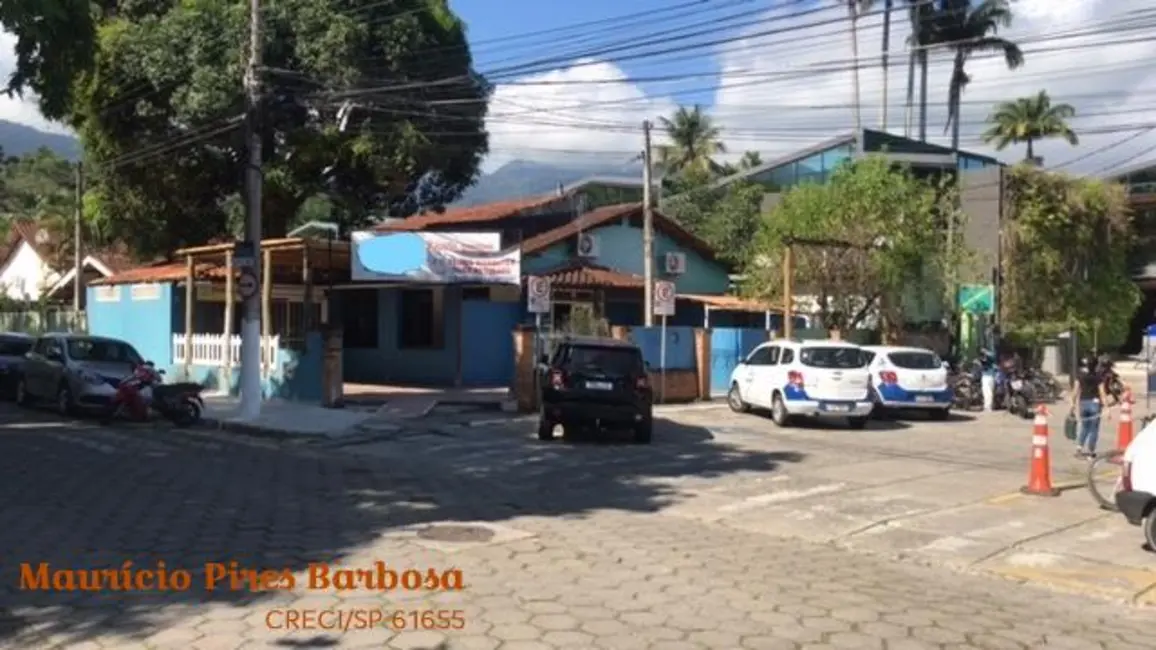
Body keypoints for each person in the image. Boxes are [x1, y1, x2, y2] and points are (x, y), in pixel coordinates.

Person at [1071, 355, 1111, 458]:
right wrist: (1107, 408)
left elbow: (1075, 391)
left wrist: (1072, 404)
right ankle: (1091, 451)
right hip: (1095, 404)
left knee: (1084, 426)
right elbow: (1102, 393)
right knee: (1094, 429)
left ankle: (1079, 448)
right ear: (1096, 365)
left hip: (1083, 403)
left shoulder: (1080, 376)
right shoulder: (1098, 377)